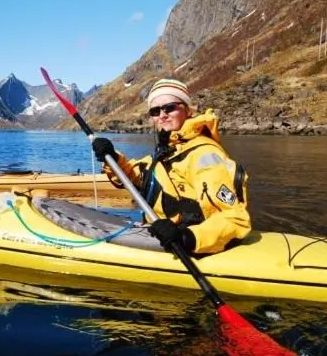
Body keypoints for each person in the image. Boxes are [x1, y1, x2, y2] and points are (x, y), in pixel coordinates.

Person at [91, 78, 250, 254]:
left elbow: (235, 219)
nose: (162, 115)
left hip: (191, 245)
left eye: (170, 107)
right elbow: (135, 177)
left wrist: (187, 238)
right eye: (155, 111)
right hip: (163, 236)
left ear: (188, 111)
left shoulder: (205, 156)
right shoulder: (165, 153)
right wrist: (112, 157)